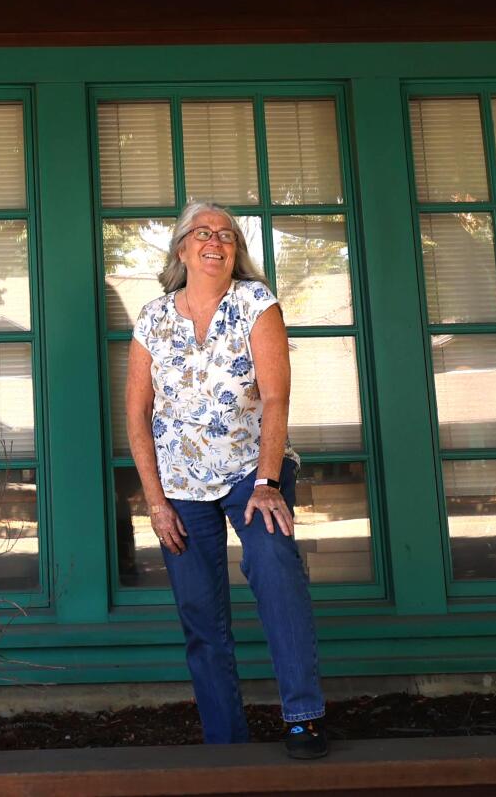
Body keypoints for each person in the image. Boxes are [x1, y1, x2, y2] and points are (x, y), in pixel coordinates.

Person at [124, 200, 328, 757]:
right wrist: (155, 501)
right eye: (203, 233)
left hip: (250, 471)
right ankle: (226, 744)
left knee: (273, 564)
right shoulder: (153, 317)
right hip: (179, 483)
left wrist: (267, 482)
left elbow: (278, 396)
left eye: (228, 236)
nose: (216, 241)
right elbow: (137, 414)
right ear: (182, 248)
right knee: (199, 611)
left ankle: (303, 717)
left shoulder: (256, 304)